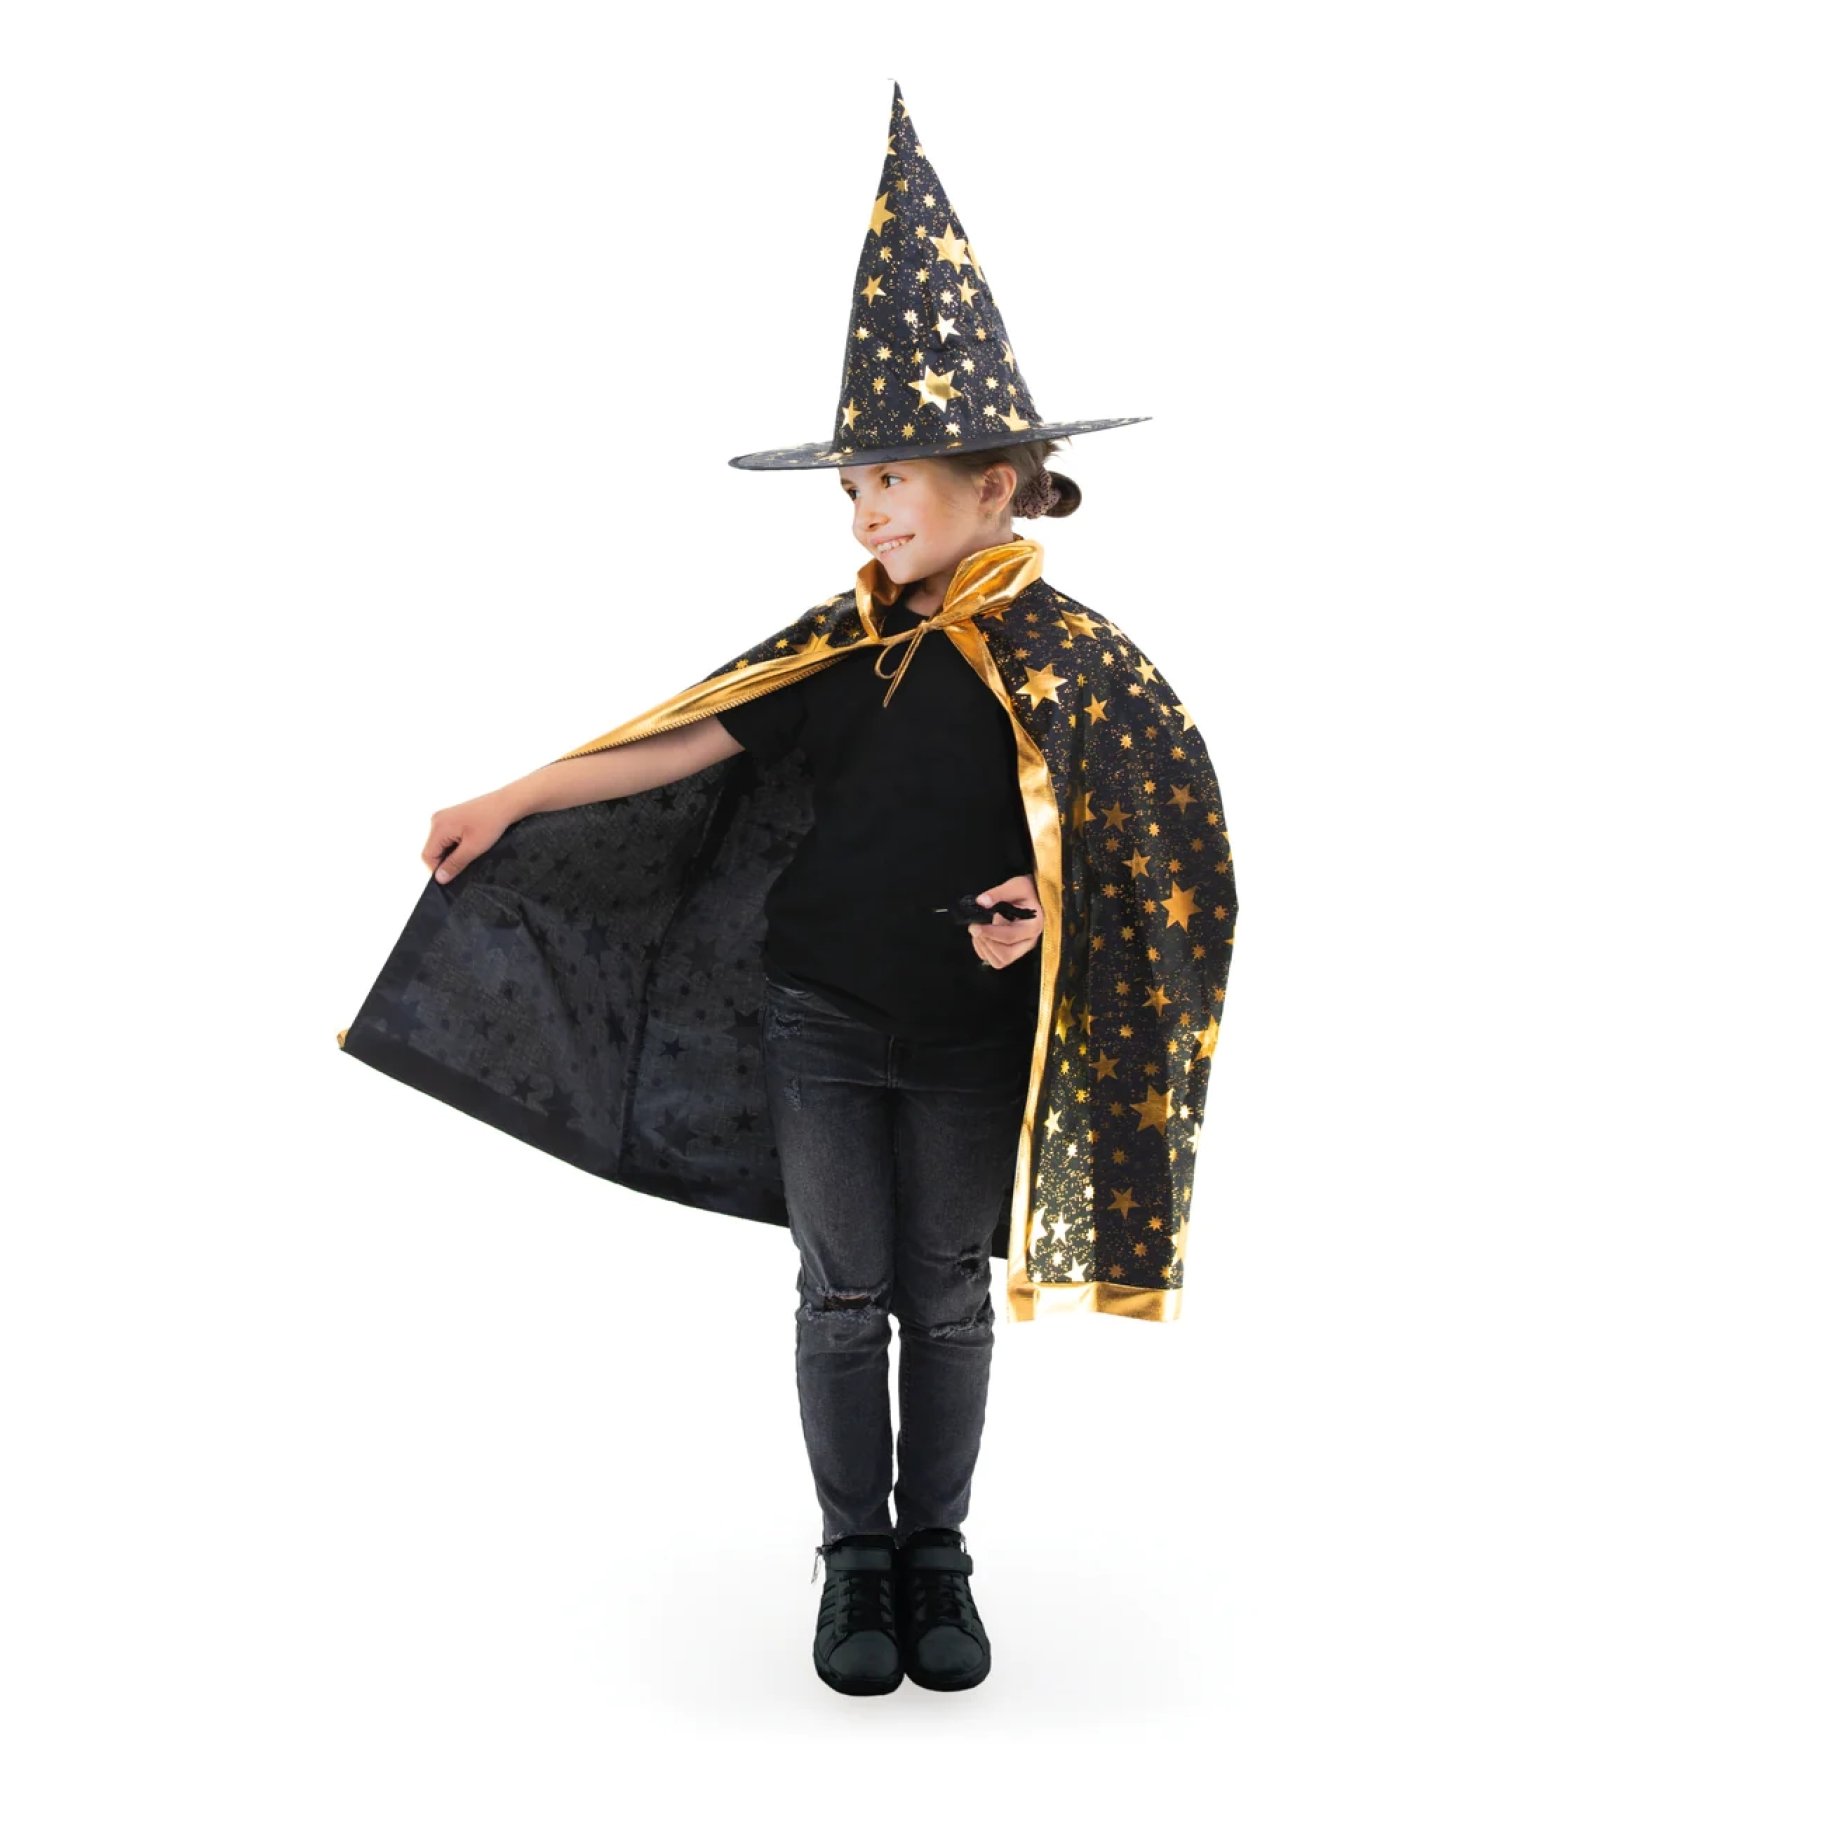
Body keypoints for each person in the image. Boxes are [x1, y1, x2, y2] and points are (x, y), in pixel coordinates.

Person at [338, 81, 1238, 1700]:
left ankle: (936, 1557)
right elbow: (684, 744)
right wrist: (515, 792)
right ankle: (852, 1567)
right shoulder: (839, 647)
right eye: (853, 485)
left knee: (944, 1298)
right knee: (841, 1295)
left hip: (967, 1040)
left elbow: (1158, 852)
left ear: (996, 483)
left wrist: (1048, 911)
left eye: (895, 476)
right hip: (818, 1018)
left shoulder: (1082, 669)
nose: (869, 507)